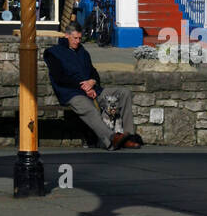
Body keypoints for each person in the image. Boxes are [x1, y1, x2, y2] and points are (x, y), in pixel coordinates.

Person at [44, 21, 143, 151]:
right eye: (75, 38)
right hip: (72, 93)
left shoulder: (83, 52)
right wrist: (84, 88)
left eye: (80, 38)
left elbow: (94, 72)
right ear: (66, 36)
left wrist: (92, 82)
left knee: (124, 93)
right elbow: (60, 78)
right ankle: (111, 138)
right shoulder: (53, 53)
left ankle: (128, 137)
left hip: (93, 90)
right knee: (90, 108)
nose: (78, 41)